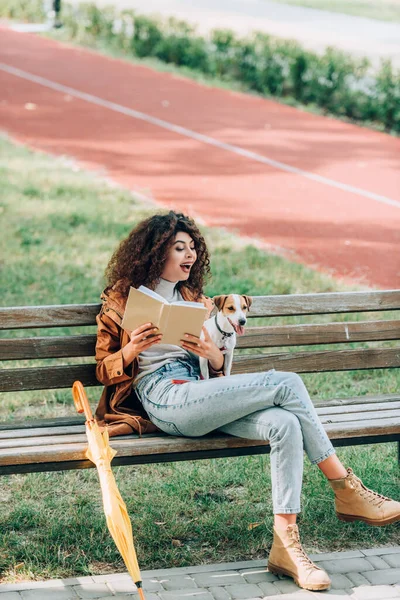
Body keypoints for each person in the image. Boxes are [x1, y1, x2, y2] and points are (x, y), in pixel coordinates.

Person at [95, 210, 400, 593]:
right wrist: (131, 349)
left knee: (284, 424)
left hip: (200, 391)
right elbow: (103, 370)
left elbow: (218, 368)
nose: (189, 256)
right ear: (155, 253)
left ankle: (286, 546)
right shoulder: (122, 299)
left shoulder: (194, 299)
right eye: (178, 248)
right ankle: (346, 488)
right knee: (286, 383)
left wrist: (212, 352)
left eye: (192, 248)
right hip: (163, 397)